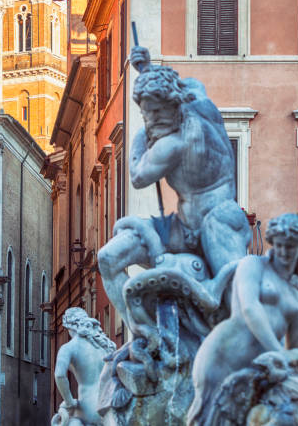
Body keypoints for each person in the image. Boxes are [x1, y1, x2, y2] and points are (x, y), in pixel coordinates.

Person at [98, 46, 250, 328]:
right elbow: (183, 86)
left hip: (218, 222)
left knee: (237, 304)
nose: (150, 120)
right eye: (145, 114)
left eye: (154, 113)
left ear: (172, 105)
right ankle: (145, 334)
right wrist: (148, 71)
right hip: (180, 227)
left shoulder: (173, 144)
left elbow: (137, 176)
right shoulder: (200, 101)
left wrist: (140, 134)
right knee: (108, 258)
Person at [187, 213, 298, 426]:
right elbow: (250, 309)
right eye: (280, 245)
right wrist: (279, 353)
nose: (284, 252)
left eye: (291, 246)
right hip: (223, 354)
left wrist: (291, 367)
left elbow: (293, 349)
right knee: (206, 418)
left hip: (259, 368)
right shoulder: (253, 265)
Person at [52, 308, 116, 426]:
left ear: (70, 327)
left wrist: (69, 401)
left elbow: (59, 375)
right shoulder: (104, 345)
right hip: (111, 405)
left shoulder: (69, 347)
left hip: (89, 408)